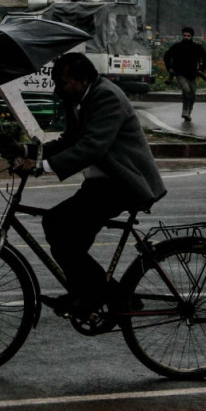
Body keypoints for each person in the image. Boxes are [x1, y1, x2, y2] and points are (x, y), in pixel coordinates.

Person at [15, 53, 167, 318]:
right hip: (103, 184)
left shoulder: (107, 97)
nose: (57, 89)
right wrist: (28, 150)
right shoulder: (82, 100)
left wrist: (42, 166)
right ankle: (92, 294)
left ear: (82, 80)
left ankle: (106, 296)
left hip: (124, 184)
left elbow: (91, 147)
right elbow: (69, 140)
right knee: (61, 231)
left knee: (59, 229)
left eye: (62, 83)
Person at [163, 26, 206, 122]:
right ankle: (184, 111)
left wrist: (201, 70)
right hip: (180, 73)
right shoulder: (177, 46)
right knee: (186, 90)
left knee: (192, 95)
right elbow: (166, 56)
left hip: (192, 74)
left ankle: (188, 113)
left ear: (192, 36)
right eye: (184, 35)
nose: (186, 37)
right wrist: (170, 68)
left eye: (188, 36)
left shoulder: (197, 47)